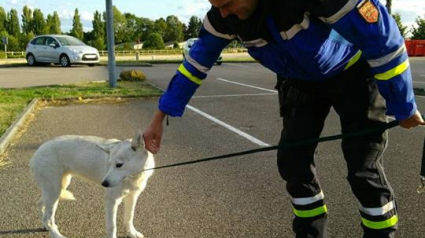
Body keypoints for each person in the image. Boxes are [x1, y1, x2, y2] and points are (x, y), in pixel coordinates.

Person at [143, 0, 425, 237]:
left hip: (353, 73)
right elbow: (193, 67)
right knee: (293, 163)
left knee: (363, 170)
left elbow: (384, 41)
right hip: (300, 81)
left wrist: (404, 106)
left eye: (228, 3)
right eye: (216, 5)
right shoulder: (222, 18)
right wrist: (160, 116)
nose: (224, 12)